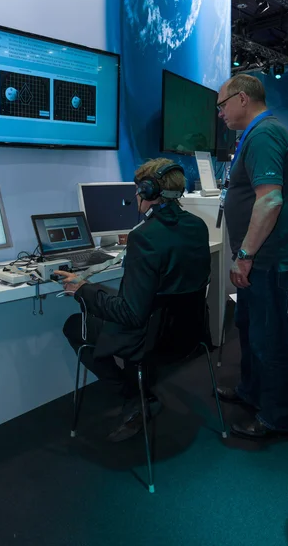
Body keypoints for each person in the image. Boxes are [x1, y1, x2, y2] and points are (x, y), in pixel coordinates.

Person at [56, 158, 211, 442]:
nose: (136, 195)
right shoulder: (197, 226)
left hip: (153, 340)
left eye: (140, 189)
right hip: (189, 333)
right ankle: (138, 392)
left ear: (149, 191)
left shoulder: (144, 237)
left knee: (73, 324)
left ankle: (133, 394)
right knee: (123, 301)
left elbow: (130, 314)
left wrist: (82, 290)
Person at [217, 74, 288, 439]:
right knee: (250, 328)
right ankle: (252, 391)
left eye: (222, 105)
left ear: (241, 99)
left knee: (268, 337)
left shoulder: (264, 134)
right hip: (260, 257)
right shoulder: (260, 134)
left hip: (265, 258)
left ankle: (275, 416)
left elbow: (269, 200)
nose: (219, 113)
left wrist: (245, 255)